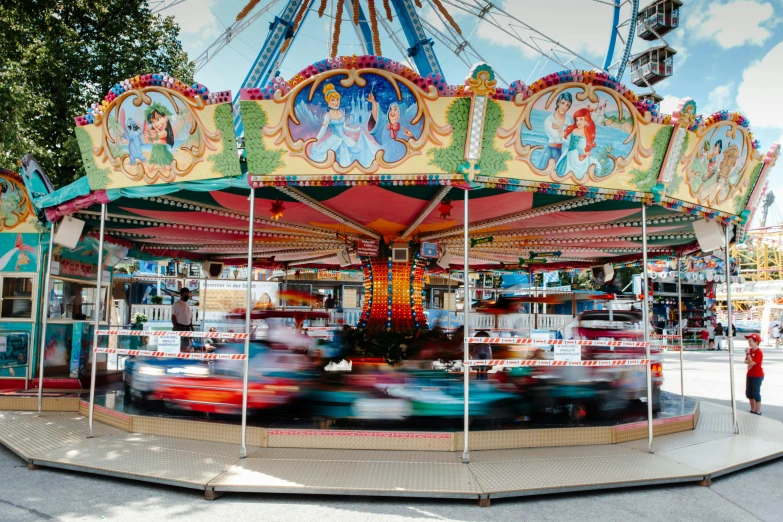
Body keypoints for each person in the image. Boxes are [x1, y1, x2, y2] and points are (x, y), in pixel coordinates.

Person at [554, 107, 603, 180]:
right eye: (577, 120)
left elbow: (581, 147)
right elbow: (568, 143)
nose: (578, 122)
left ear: (586, 120)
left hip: (576, 156)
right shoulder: (574, 131)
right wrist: (561, 134)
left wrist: (585, 153)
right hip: (569, 154)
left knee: (576, 175)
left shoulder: (586, 134)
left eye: (581, 119)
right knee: (561, 171)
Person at [536, 92, 572, 170]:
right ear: (558, 102)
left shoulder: (568, 121)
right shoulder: (549, 120)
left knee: (558, 175)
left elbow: (569, 140)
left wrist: (559, 129)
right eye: (563, 103)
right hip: (550, 150)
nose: (564, 107)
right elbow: (557, 139)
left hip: (560, 151)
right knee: (541, 171)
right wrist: (563, 133)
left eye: (567, 105)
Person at [744, 333, 764, 415]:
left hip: (757, 375)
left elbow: (752, 362)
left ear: (756, 342)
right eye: (748, 341)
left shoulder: (759, 352)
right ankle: (753, 409)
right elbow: (745, 361)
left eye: (750, 341)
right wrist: (750, 361)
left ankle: (758, 411)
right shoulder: (751, 350)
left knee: (756, 393)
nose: (749, 343)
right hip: (750, 374)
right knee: (749, 393)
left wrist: (748, 355)